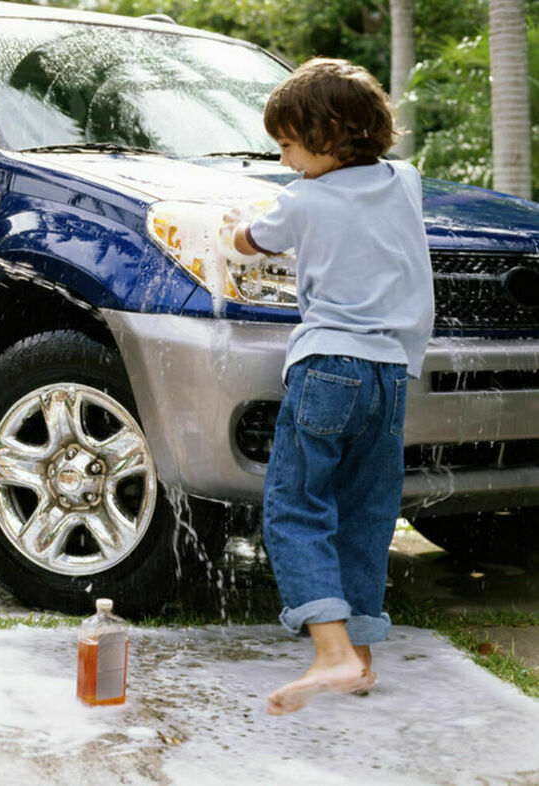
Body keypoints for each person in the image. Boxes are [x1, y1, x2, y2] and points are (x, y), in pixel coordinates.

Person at [222, 58, 434, 714]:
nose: (286, 162)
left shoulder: (304, 201)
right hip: (390, 377)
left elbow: (249, 240)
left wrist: (236, 227)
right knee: (368, 513)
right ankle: (360, 659)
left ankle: (331, 649)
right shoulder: (405, 182)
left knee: (298, 505)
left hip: (327, 371)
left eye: (288, 145)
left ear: (331, 132)